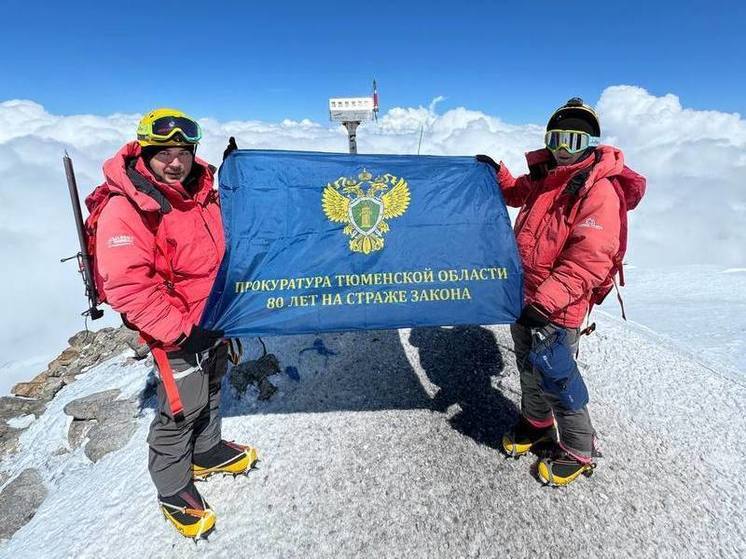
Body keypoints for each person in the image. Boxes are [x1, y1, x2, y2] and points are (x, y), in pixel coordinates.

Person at [91, 108, 258, 538]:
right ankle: (172, 487)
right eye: (164, 151)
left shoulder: (201, 191)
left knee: (213, 386)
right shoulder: (125, 209)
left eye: (183, 151)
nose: (175, 161)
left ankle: (206, 451)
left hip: (216, 316)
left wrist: (244, 183)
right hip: (178, 328)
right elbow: (129, 288)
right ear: (145, 152)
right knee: (181, 408)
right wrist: (183, 330)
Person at [480, 98, 645, 486]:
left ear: (590, 141)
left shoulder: (598, 190)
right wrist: (495, 173)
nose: (562, 148)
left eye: (573, 139)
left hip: (558, 306)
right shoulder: (546, 176)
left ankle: (578, 447)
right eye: (557, 138)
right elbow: (517, 192)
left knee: (557, 377)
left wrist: (545, 303)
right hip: (523, 299)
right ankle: (536, 423)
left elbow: (589, 260)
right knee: (527, 367)